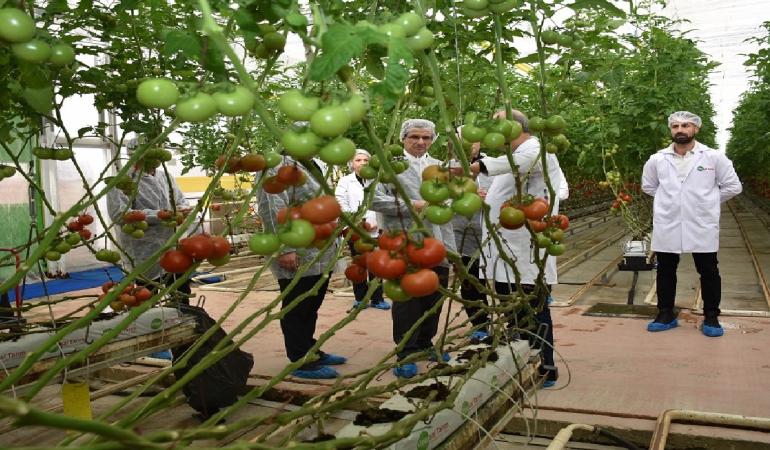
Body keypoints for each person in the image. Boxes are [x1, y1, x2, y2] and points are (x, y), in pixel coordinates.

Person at [461, 109, 563, 388]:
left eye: (494, 127)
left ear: (513, 128)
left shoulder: (536, 150)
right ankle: (524, 362)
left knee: (532, 310)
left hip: (524, 250)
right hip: (507, 250)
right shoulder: (515, 156)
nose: (489, 133)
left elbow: (521, 162)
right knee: (515, 312)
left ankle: (546, 366)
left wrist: (478, 166)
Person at [641, 111, 742, 337]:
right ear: (671, 130)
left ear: (696, 129)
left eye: (685, 125)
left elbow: (733, 186)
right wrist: (674, 202)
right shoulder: (657, 159)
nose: (680, 130)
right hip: (668, 221)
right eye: (675, 126)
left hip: (701, 222)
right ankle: (665, 313)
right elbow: (648, 186)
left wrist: (706, 202)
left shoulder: (713, 157)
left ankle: (711, 316)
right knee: (666, 268)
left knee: (708, 269)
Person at [370, 119, 457, 378]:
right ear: (403, 139)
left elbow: (450, 201)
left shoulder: (439, 167)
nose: (420, 142)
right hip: (402, 242)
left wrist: (450, 248)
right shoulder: (389, 166)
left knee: (434, 295)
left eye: (426, 138)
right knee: (407, 298)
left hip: (436, 241)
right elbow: (374, 199)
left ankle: (425, 343)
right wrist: (413, 205)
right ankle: (406, 351)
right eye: (414, 137)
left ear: (433, 140)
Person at [257, 157, 347, 379]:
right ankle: (299, 360)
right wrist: (284, 248)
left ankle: (310, 349)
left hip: (318, 246)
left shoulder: (315, 163)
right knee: (297, 305)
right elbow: (271, 208)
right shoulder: (277, 165)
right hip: (296, 247)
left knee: (311, 303)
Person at [106, 162, 193, 304]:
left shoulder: (165, 177)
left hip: (171, 246)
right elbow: (119, 214)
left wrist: (181, 210)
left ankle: (182, 315)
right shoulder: (122, 181)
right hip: (143, 250)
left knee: (180, 292)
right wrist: (157, 215)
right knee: (146, 297)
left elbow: (180, 201)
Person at [449, 130, 492, 343]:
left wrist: (489, 198)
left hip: (489, 232)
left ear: (479, 143)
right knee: (469, 280)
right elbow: (436, 199)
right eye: (462, 141)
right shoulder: (447, 168)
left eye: (472, 141)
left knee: (497, 278)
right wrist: (462, 196)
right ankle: (480, 323)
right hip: (461, 234)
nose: (468, 145)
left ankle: (511, 320)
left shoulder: (492, 166)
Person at [334, 149, 389, 310]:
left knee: (376, 264)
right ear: (351, 164)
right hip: (355, 230)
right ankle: (360, 298)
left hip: (376, 229)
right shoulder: (345, 181)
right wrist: (358, 223)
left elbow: (385, 202)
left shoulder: (378, 180)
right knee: (359, 264)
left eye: (366, 160)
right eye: (358, 160)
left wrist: (376, 222)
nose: (363, 163)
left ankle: (377, 298)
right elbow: (341, 203)